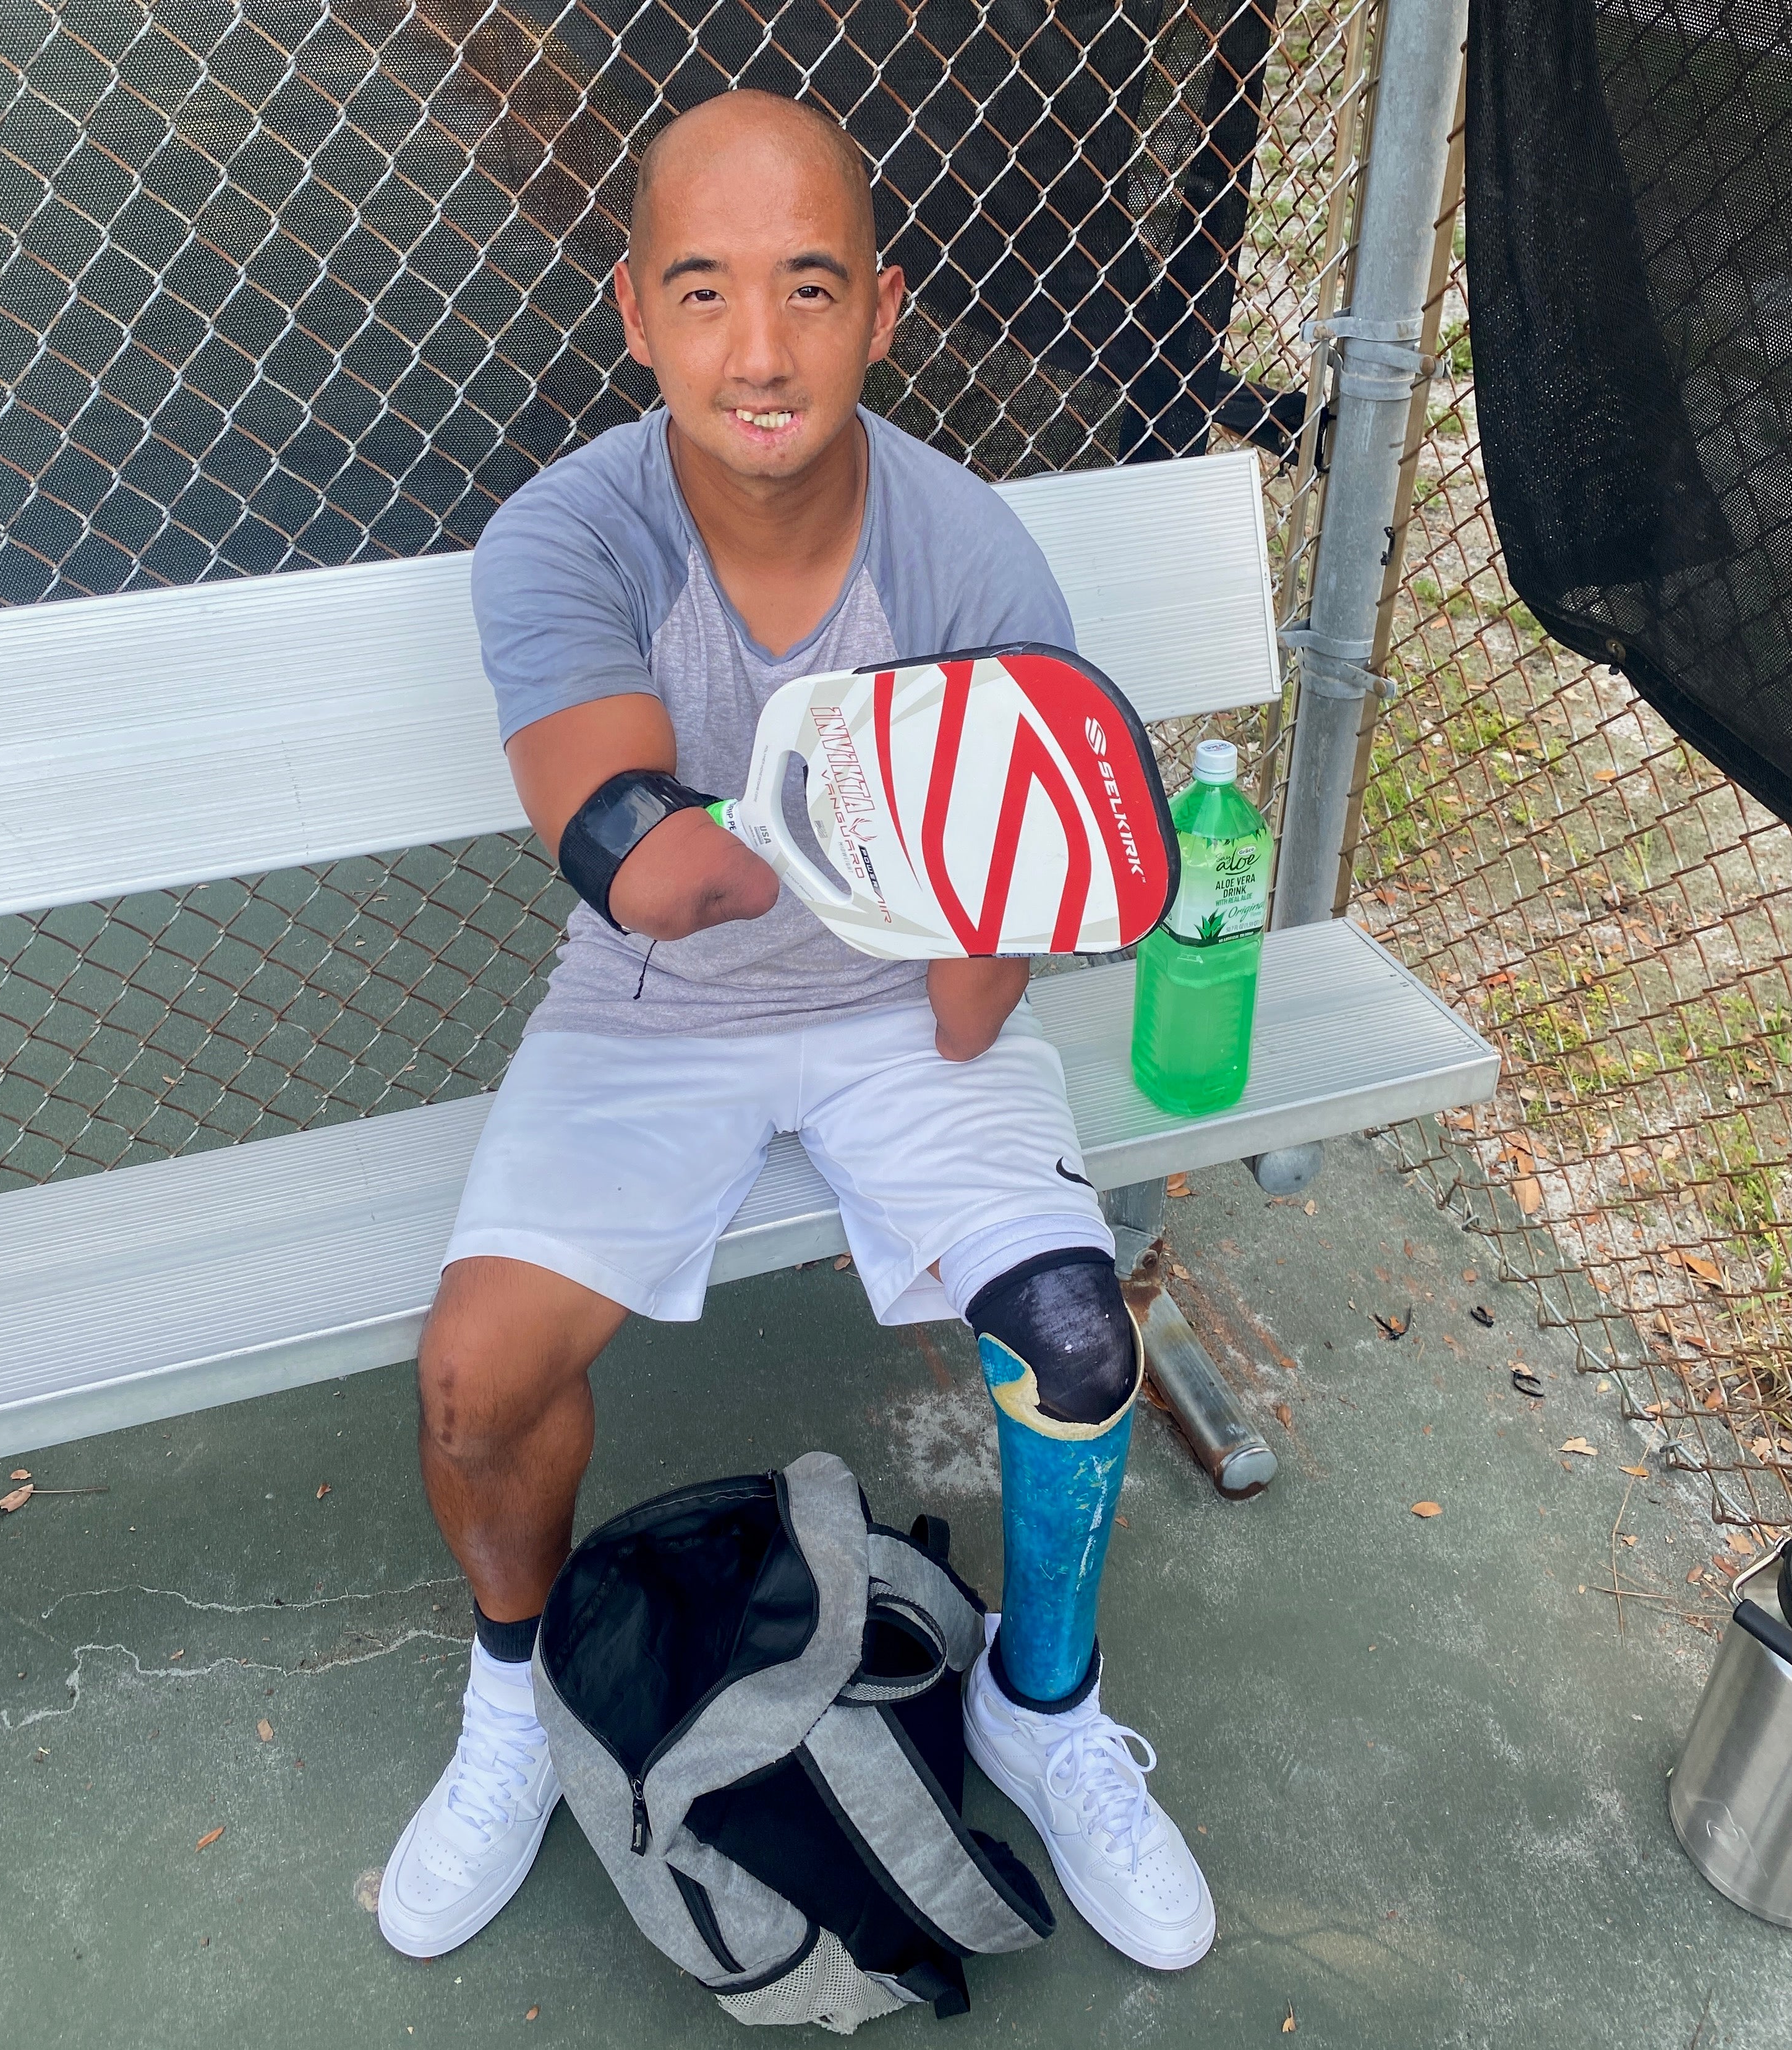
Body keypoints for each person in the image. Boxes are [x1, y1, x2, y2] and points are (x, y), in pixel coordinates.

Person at [376, 88, 1215, 1976]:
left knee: (1075, 1340)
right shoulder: (561, 532)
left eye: (812, 289)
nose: (760, 352)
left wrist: (1002, 884)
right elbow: (628, 854)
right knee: (473, 1381)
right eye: (705, 290)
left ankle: (1046, 1707)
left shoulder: (972, 556)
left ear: (886, 309)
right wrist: (847, 812)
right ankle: (514, 1692)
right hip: (654, 1002)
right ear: (634, 310)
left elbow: (979, 971)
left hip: (893, 999)